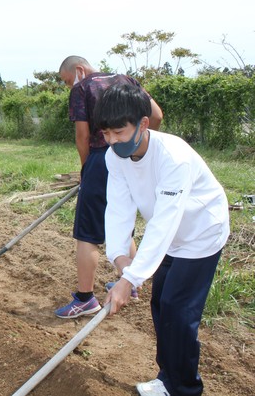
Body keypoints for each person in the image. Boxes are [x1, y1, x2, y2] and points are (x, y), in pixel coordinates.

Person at [97, 83, 229, 396]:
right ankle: (167, 378)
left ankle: (185, 389)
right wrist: (120, 259)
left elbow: (165, 222)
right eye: (106, 133)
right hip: (168, 234)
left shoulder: (173, 157)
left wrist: (129, 281)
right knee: (160, 305)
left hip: (200, 233)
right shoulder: (114, 158)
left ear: (143, 124)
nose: (113, 141)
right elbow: (118, 209)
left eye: (119, 131)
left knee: (179, 312)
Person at [55, 55, 163, 319]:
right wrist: (137, 146)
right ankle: (131, 283)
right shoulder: (125, 81)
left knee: (87, 233)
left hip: (100, 159)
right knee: (123, 220)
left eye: (68, 81)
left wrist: (85, 169)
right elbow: (156, 115)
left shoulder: (83, 88)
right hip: (131, 157)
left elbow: (82, 136)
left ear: (79, 70)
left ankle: (85, 298)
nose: (70, 86)